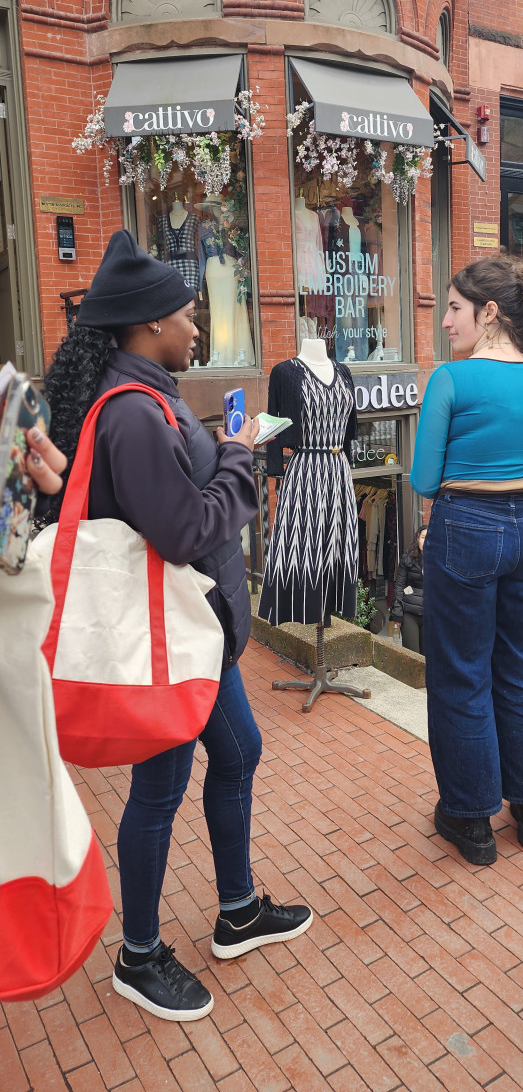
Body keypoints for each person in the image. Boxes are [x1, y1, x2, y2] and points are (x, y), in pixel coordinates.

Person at [38, 230, 313, 1023]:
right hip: (167, 641)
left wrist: (221, 450)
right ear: (150, 322)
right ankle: (139, 955)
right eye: (188, 315)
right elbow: (185, 530)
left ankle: (237, 911)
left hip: (196, 634)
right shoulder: (132, 413)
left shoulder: (146, 396)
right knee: (159, 790)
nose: (198, 328)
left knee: (239, 752)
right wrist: (238, 457)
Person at [410, 255, 523, 867]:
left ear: (490, 312)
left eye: (455, 308)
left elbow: (425, 480)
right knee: (522, 663)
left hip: (467, 530)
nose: (446, 320)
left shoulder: (451, 380)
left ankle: (471, 818)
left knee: (461, 672)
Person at [388, 526, 427, 654]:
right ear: (417, 539)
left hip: (431, 615)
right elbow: (399, 586)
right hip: (409, 613)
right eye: (423, 537)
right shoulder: (408, 559)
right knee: (413, 655)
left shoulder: (440, 561)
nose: (426, 541)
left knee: (428, 657)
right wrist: (397, 613)